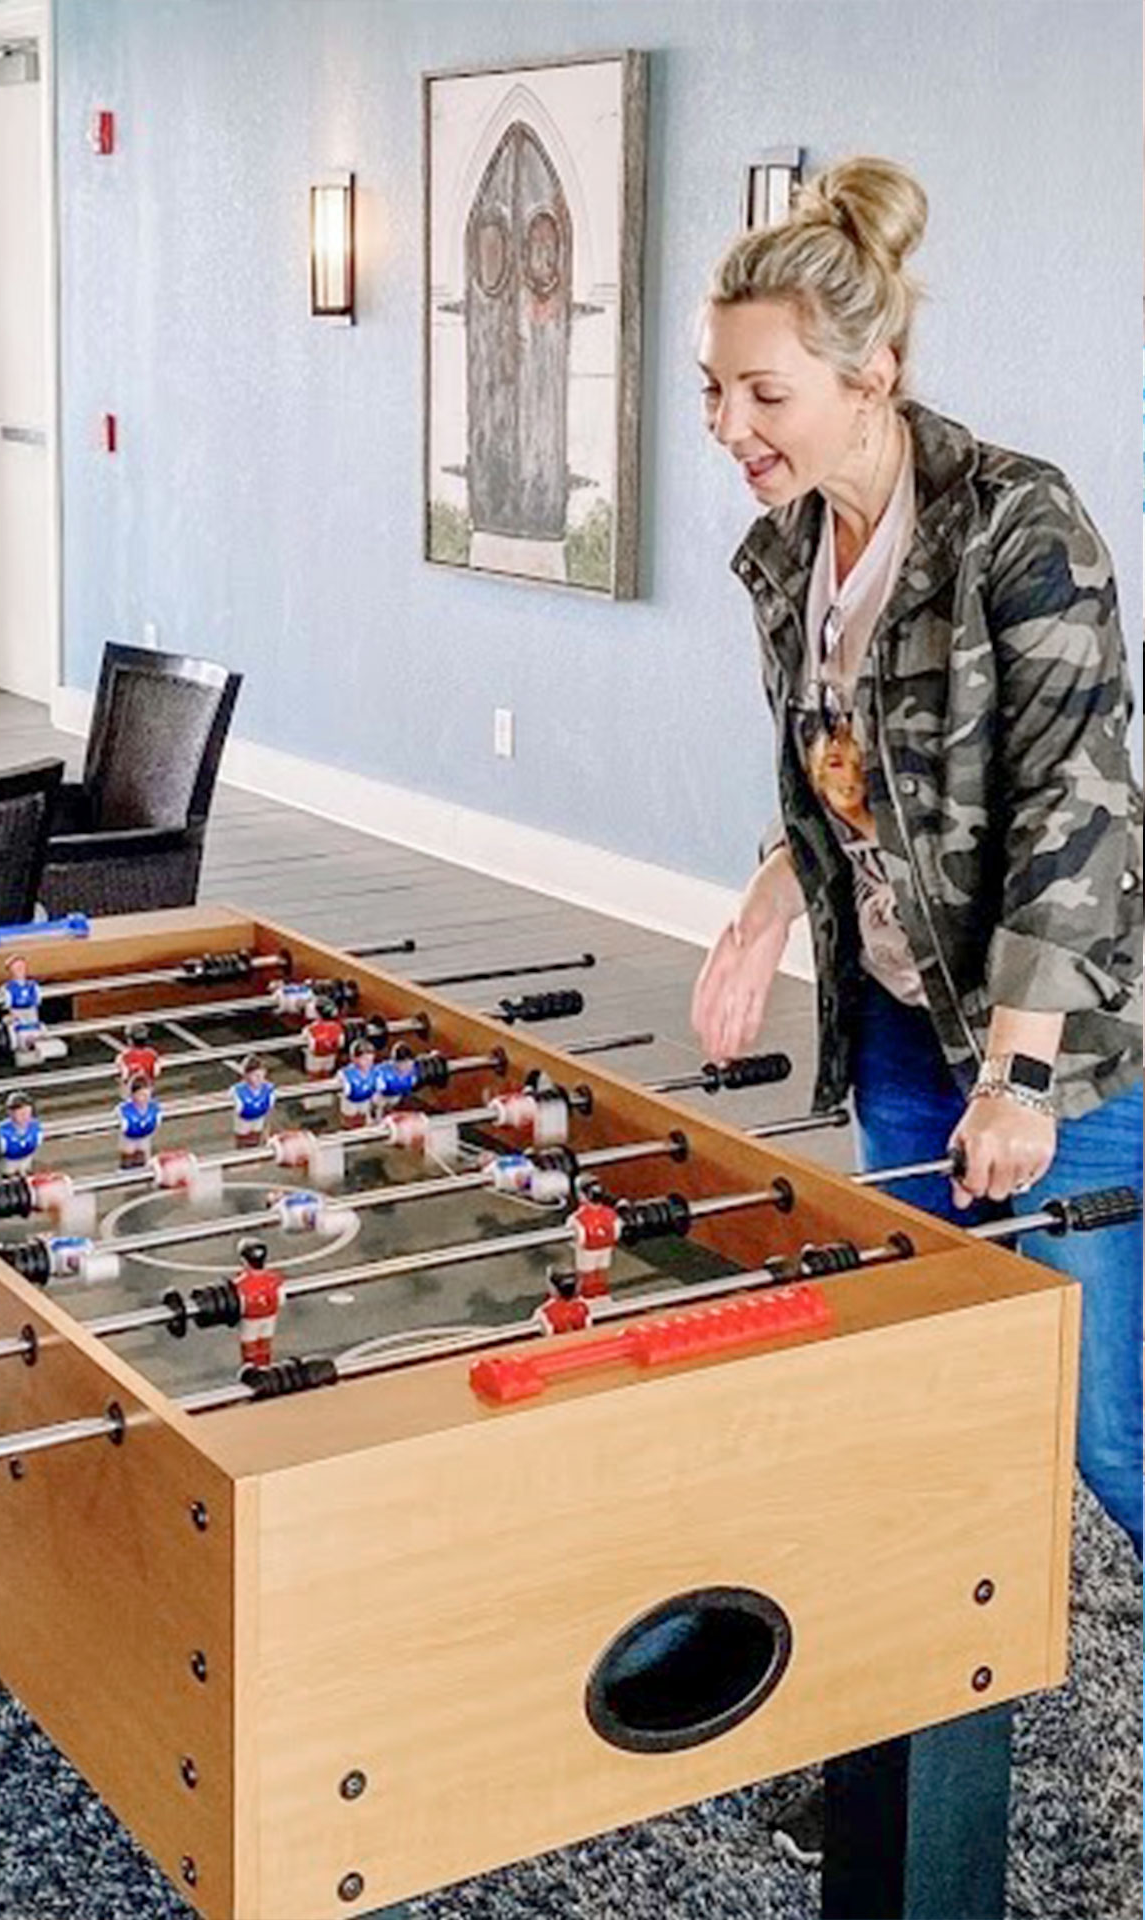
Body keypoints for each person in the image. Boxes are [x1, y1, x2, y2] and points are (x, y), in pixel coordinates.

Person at [690, 154, 1142, 1860]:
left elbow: (1079, 809)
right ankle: (894, 1756)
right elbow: (842, 781)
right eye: (718, 390)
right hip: (896, 1026)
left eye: (766, 390)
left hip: (1066, 1038)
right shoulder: (794, 547)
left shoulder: (1022, 524)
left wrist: (1021, 1076)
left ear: (871, 375)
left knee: (1104, 1423)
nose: (732, 423)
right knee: (910, 1394)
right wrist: (761, 905)